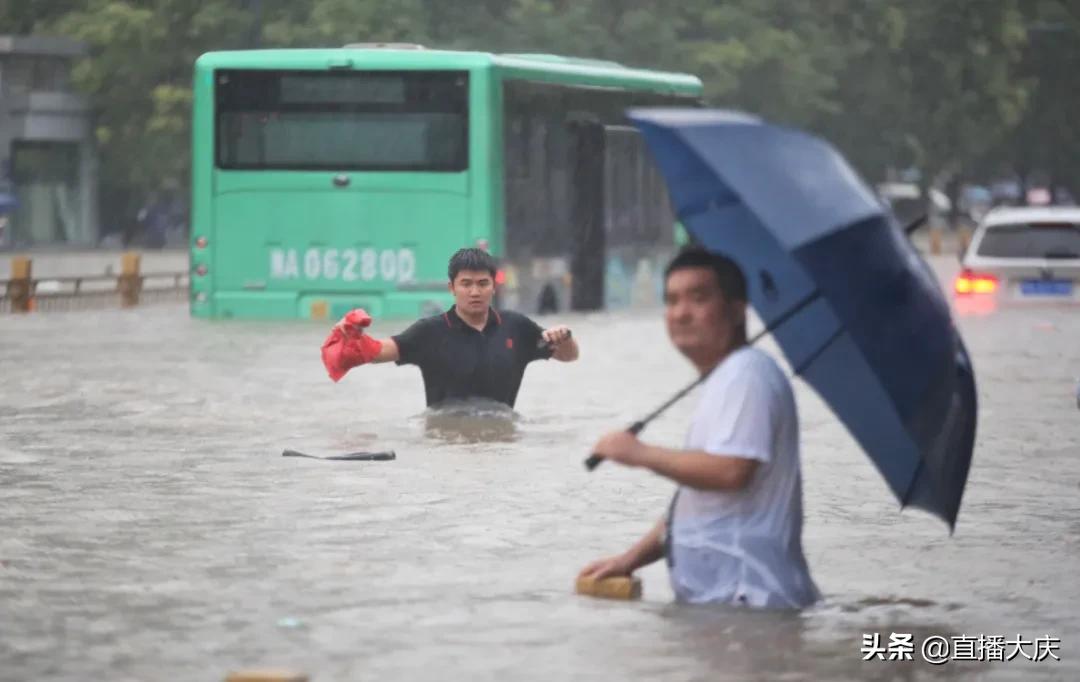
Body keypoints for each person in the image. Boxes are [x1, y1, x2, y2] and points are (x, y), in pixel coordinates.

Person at [578, 246, 819, 610]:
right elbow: (701, 504)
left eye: (698, 298)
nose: (681, 313)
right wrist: (630, 559)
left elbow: (731, 471)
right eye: (672, 300)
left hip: (751, 607)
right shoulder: (724, 380)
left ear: (737, 310)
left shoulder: (747, 375)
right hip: (719, 610)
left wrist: (639, 454)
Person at [321, 247, 579, 408]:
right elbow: (378, 351)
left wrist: (565, 336)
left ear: (493, 286)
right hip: (445, 445)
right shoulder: (429, 332)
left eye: (482, 283)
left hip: (501, 445)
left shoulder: (516, 327)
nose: (475, 292)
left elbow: (569, 356)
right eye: (466, 284)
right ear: (451, 288)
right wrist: (350, 336)